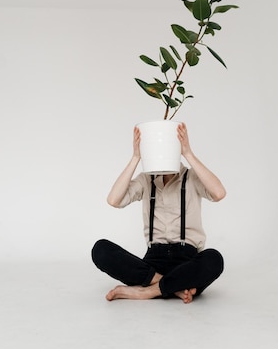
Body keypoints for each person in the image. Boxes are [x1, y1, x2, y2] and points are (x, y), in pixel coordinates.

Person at [91, 122, 225, 303]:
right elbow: (114, 200)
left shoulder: (192, 177)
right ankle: (170, 287)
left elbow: (219, 193)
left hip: (187, 261)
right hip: (153, 263)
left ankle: (146, 291)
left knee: (214, 259)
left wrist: (188, 153)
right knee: (101, 250)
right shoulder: (146, 180)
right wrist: (136, 157)